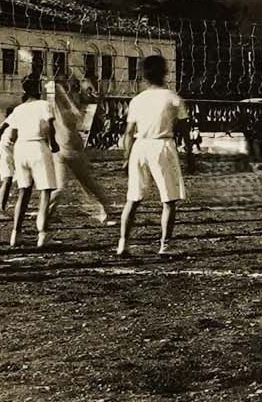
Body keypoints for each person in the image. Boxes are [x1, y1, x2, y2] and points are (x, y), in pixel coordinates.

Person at [117, 55, 190, 256]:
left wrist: (126, 157)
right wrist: (190, 155)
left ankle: (123, 243)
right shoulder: (173, 98)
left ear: (144, 76)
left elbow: (128, 132)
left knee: (133, 198)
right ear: (164, 72)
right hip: (162, 145)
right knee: (168, 199)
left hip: (140, 147)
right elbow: (185, 129)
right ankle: (165, 245)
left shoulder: (137, 100)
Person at [46, 76, 117, 225]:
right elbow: (52, 86)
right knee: (60, 188)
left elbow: (88, 101)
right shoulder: (55, 106)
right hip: (61, 152)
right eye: (72, 86)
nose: (74, 88)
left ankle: (107, 213)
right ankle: (46, 215)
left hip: (76, 151)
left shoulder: (73, 105)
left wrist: (92, 93)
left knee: (91, 184)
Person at [5, 76, 61, 249]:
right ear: (38, 88)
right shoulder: (44, 105)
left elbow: (12, 135)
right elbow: (49, 126)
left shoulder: (18, 109)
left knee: (24, 191)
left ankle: (16, 234)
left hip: (21, 148)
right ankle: (42, 234)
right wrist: (53, 143)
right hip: (38, 146)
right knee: (45, 191)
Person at [0, 110, 16, 214]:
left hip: (15, 150)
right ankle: (1, 209)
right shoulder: (13, 118)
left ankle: (11, 204)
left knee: (21, 180)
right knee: (8, 179)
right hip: (5, 149)